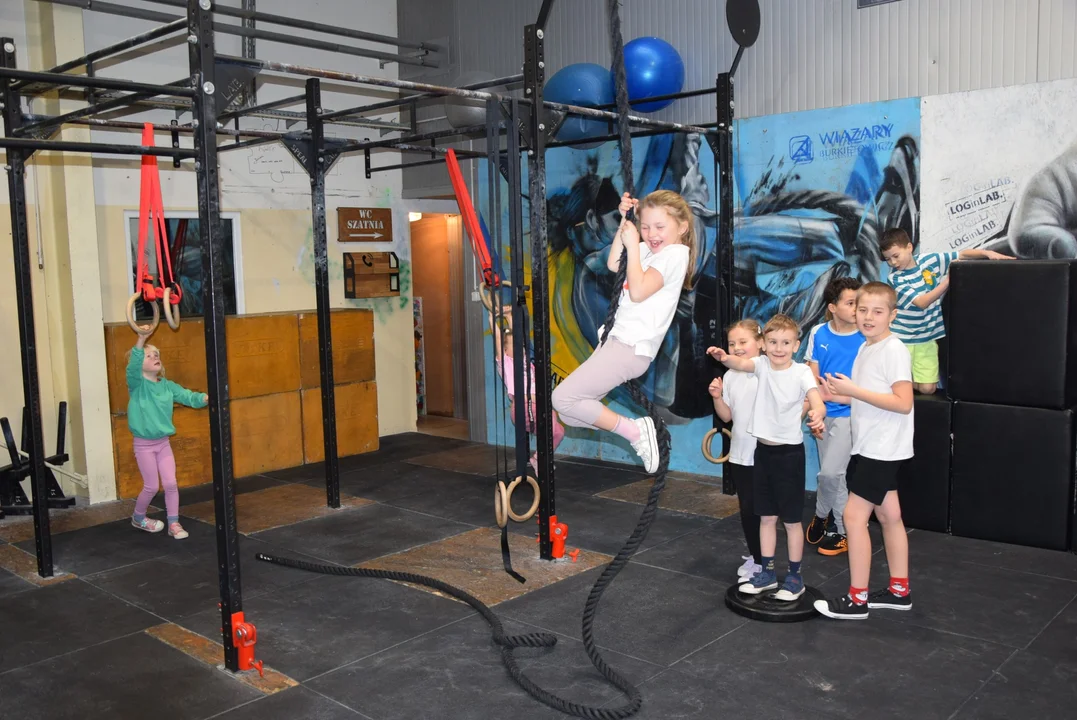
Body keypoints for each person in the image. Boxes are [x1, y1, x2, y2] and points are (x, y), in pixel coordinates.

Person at [552, 190, 695, 474]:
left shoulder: (675, 255)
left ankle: (636, 431)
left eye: (659, 227)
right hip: (616, 342)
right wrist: (624, 228)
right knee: (570, 412)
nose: (651, 234)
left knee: (562, 398)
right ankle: (633, 430)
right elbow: (613, 263)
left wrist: (634, 241)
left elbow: (640, 290)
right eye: (645, 227)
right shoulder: (647, 250)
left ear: (682, 227)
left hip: (631, 347)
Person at [814, 282, 915, 620]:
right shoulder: (868, 348)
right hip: (871, 444)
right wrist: (837, 395)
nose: (868, 317)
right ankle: (899, 591)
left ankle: (857, 600)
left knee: (854, 517)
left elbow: (903, 402)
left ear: (892, 315)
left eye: (877, 311)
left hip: (882, 448)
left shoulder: (893, 349)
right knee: (889, 515)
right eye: (862, 309)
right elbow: (869, 397)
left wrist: (853, 390)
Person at [708, 315, 826, 601]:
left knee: (791, 520)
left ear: (796, 345)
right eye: (773, 342)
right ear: (764, 344)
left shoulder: (800, 372)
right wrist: (724, 357)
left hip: (788, 455)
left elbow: (816, 397)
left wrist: (817, 414)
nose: (778, 348)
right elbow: (739, 364)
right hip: (762, 453)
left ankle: (795, 577)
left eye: (785, 343)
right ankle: (768, 573)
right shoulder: (759, 365)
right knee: (766, 518)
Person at [880, 228, 1009, 394]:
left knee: (928, 389)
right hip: (903, 339)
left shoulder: (929, 260)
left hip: (927, 338)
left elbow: (961, 255)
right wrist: (947, 281)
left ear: (909, 247)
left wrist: (988, 253)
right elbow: (922, 302)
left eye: (896, 256)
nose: (893, 263)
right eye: (888, 259)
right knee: (898, 384)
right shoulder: (895, 278)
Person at [127, 329, 208, 539]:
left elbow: (188, 396)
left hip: (163, 443)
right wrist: (141, 340)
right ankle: (138, 517)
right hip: (144, 445)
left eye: (157, 354)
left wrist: (203, 398)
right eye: (149, 355)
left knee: (171, 483)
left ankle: (174, 524)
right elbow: (132, 368)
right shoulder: (137, 385)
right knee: (152, 486)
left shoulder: (168, 386)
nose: (155, 357)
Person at [804, 277, 865, 557]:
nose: (857, 309)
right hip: (823, 413)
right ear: (832, 307)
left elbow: (868, 390)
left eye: (859, 303)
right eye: (851, 303)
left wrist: (838, 396)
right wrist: (817, 406)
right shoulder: (818, 333)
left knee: (830, 472)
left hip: (850, 415)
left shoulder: (866, 337)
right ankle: (837, 526)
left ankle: (825, 517)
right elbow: (812, 377)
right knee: (835, 476)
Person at [708, 319, 765, 581]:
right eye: (732, 343)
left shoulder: (766, 369)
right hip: (742, 453)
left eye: (743, 342)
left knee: (767, 511)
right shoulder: (730, 376)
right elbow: (727, 416)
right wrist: (718, 397)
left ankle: (768, 560)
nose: (737, 347)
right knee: (748, 509)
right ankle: (757, 557)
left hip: (766, 453)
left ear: (760, 343)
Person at [490, 305, 566, 473]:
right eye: (513, 346)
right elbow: (497, 337)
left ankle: (540, 458)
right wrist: (491, 317)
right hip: (523, 408)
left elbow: (519, 335)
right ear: (504, 350)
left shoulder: (528, 364)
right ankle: (540, 460)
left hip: (536, 407)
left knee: (559, 432)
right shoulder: (506, 364)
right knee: (551, 422)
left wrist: (509, 316)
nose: (520, 349)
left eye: (522, 346)